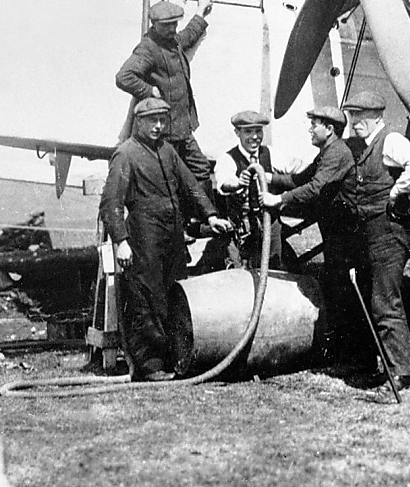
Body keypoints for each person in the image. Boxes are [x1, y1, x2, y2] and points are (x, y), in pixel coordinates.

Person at [100, 97, 233, 381]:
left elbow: (190, 185)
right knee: (145, 296)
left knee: (174, 292)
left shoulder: (168, 151)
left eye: (162, 120)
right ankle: (150, 364)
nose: (159, 126)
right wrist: (121, 240)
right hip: (143, 231)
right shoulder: (126, 154)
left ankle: (176, 358)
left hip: (172, 231)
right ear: (139, 122)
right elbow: (111, 203)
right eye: (152, 121)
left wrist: (210, 215)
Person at [260, 107, 367, 374]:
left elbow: (316, 187)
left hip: (348, 235)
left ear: (329, 129)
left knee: (348, 295)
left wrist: (279, 199)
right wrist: (270, 177)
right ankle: (344, 356)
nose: (310, 129)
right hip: (335, 234)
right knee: (337, 290)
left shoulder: (338, 154)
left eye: (314, 125)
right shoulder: (327, 153)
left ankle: (355, 359)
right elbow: (300, 179)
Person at [341, 90, 410, 391]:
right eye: (352, 116)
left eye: (361, 117)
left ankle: (403, 373)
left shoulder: (390, 141)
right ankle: (392, 367)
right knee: (377, 301)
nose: (355, 123)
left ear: (377, 116)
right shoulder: (362, 146)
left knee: (384, 302)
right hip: (372, 237)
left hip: (390, 236)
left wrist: (397, 192)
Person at [115, 0, 214, 187]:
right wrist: (150, 90)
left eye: (174, 24)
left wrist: (201, 11)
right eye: (166, 25)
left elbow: (190, 34)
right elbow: (123, 77)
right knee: (165, 180)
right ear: (155, 24)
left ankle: (201, 216)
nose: (172, 29)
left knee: (201, 170)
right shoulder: (148, 48)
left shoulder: (172, 40)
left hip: (182, 129)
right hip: (162, 133)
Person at [212, 110, 287, 270]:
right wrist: (238, 183)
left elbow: (294, 168)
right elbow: (225, 182)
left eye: (258, 131)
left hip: (269, 225)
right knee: (239, 274)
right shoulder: (227, 158)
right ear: (237, 132)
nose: (254, 137)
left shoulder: (270, 153)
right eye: (248, 131)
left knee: (272, 270)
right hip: (241, 229)